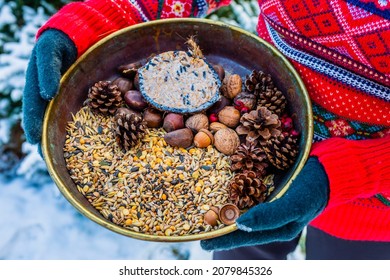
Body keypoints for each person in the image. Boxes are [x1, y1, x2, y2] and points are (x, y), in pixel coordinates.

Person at [22, 0, 390, 260]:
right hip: (253, 175)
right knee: (246, 258)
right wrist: (94, 20)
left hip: (371, 209)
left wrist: (352, 173)